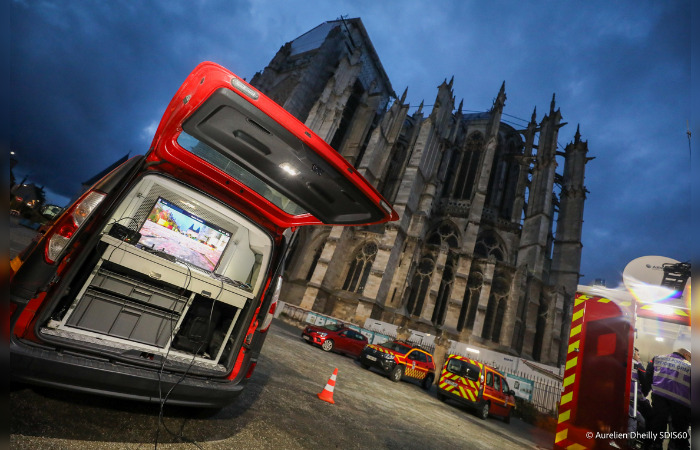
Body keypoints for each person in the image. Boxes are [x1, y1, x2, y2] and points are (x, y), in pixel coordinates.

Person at [646, 348, 691, 450]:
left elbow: (648, 377)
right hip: (681, 405)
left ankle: (655, 446)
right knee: (680, 434)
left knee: (657, 429)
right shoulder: (691, 367)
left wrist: (646, 391)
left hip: (659, 400)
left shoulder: (657, 359)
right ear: (686, 355)